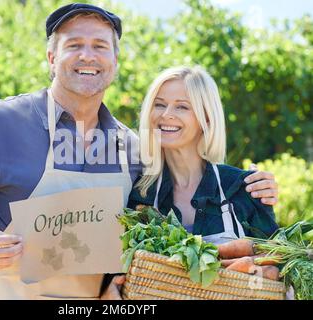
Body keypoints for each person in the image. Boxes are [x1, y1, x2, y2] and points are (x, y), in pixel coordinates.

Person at [0, 4, 278, 300]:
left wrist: (254, 185)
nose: (88, 56)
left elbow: (185, 196)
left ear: (114, 63)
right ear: (52, 58)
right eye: (73, 45)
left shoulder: (134, 149)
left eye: (100, 46)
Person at [104, 66, 279, 299]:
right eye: (159, 104)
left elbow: (275, 269)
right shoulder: (139, 193)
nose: (166, 114)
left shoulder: (243, 187)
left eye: (182, 106)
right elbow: (115, 270)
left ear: (206, 118)